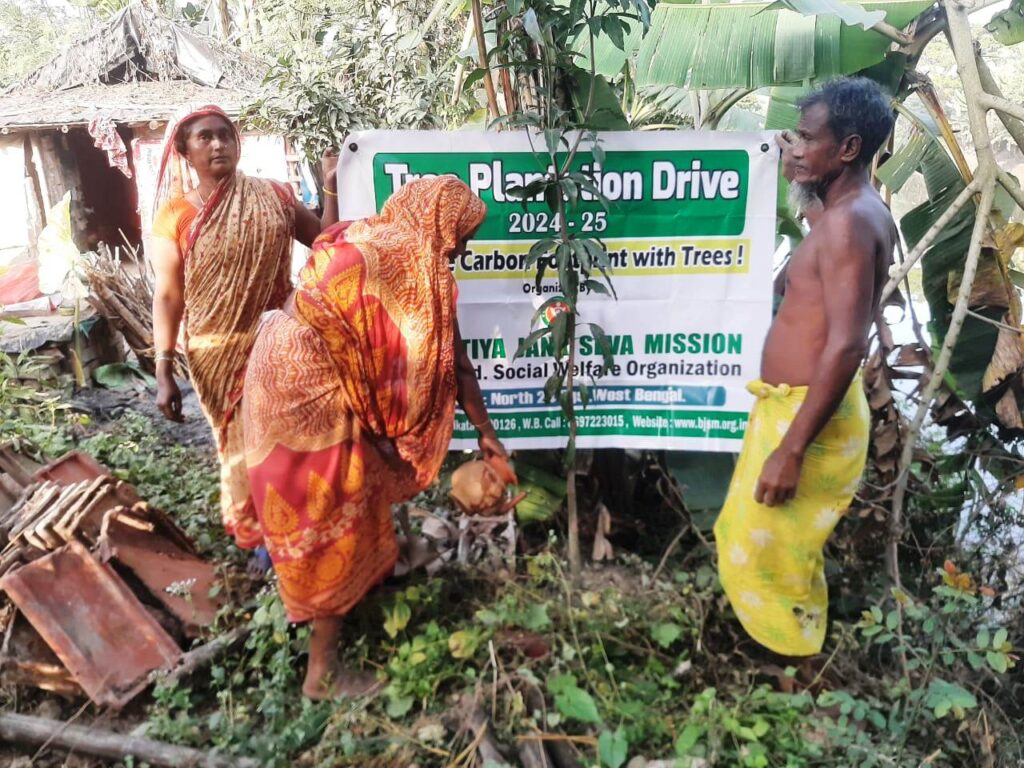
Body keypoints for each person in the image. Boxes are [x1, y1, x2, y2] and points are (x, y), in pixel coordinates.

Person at [240, 175, 515, 699]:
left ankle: (366, 586)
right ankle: (321, 675)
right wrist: (488, 437)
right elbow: (451, 362)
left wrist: (481, 434)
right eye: (463, 239)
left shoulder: (373, 234)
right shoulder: (414, 261)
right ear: (443, 226)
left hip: (279, 359)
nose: (462, 251)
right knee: (328, 514)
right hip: (306, 387)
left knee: (355, 486)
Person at [714, 77, 897, 657]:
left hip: (808, 421)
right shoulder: (852, 212)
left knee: (769, 554)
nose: (795, 148)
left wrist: (791, 449)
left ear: (847, 148)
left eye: (808, 139)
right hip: (796, 406)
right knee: (775, 550)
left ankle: (791, 666)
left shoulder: (847, 225)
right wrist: (801, 183)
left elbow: (846, 344)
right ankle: (788, 659)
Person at [149, 105, 338, 546]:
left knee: (287, 437)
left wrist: (330, 188)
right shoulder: (174, 216)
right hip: (215, 352)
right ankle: (259, 538)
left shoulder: (273, 195)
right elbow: (168, 294)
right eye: (204, 138)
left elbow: (326, 243)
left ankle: (299, 528)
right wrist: (163, 369)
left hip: (277, 340)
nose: (217, 144)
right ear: (185, 151)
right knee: (240, 445)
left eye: (225, 135)